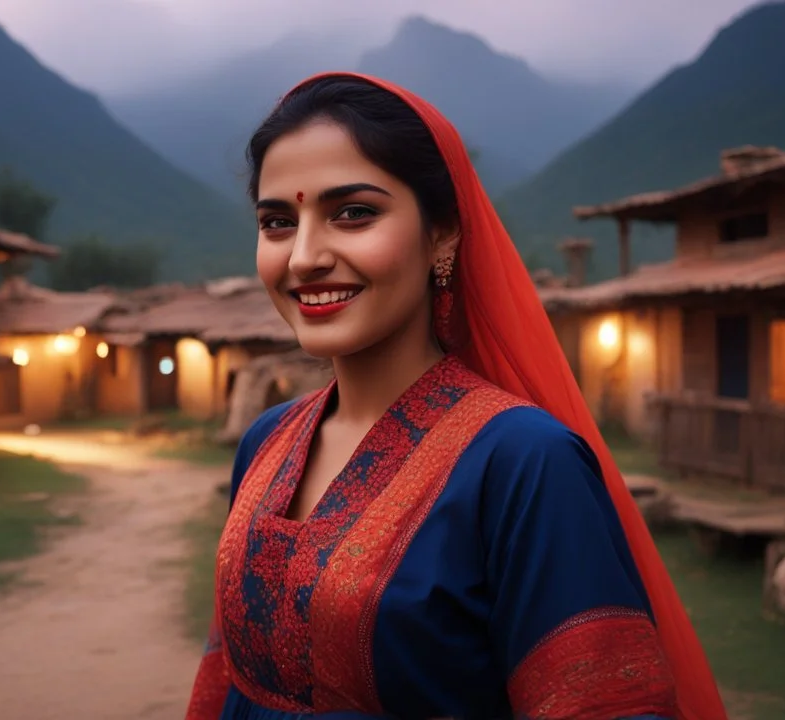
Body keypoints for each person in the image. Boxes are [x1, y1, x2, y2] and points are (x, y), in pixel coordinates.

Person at [184, 72, 727, 720]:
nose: (303, 257)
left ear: (442, 233)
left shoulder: (524, 462)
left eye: (352, 213)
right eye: (277, 221)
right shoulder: (267, 441)